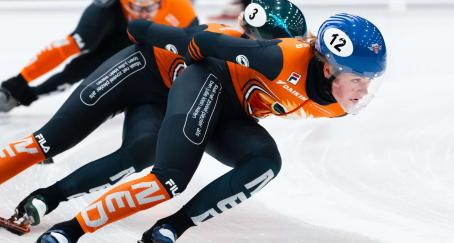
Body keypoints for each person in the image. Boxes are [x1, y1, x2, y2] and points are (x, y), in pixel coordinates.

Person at [35, 11, 387, 243]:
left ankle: (171, 227)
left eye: (370, 81)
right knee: (169, 178)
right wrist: (142, 31)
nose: (363, 91)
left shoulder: (339, 105)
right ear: (328, 69)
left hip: (235, 113)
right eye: (358, 79)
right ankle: (70, 229)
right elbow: (204, 43)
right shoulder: (282, 58)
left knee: (265, 164)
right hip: (210, 80)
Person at [0, 0, 308, 236]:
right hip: (139, 70)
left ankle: (46, 197)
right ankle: (25, 99)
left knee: (140, 151)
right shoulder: (220, 39)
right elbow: (142, 31)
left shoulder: (281, 69)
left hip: (166, 103)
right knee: (50, 140)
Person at [0, 0, 198, 113]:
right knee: (80, 47)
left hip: (141, 36)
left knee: (162, 59)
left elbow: (192, 49)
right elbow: (66, 47)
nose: (142, 14)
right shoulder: (109, 7)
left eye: (149, 9)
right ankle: (18, 89)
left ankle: (32, 93)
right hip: (114, 21)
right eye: (136, 8)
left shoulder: (182, 11)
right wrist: (19, 80)